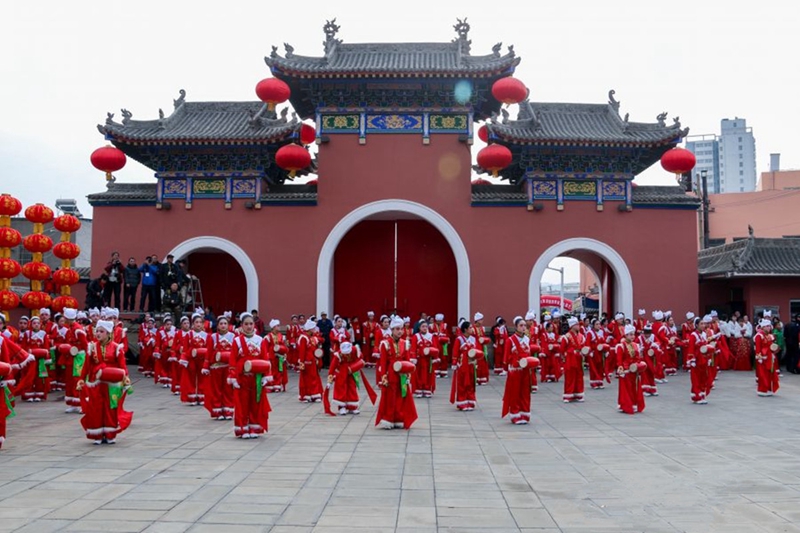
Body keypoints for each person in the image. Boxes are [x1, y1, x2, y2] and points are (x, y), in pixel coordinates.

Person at [77, 320, 133, 444]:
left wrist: (126, 378)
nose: (98, 333)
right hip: (95, 383)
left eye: (101, 331)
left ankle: (109, 434)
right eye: (97, 331)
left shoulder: (116, 348)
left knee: (110, 408)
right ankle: (97, 434)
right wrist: (81, 379)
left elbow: (122, 366)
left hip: (111, 383)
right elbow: (86, 365)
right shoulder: (92, 347)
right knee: (95, 408)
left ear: (108, 333)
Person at [228, 312, 272, 439]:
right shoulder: (237, 341)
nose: (249, 326)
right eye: (246, 324)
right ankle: (242, 428)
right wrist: (233, 377)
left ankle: (254, 428)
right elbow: (232, 361)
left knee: (255, 403)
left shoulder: (260, 340)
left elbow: (265, 358)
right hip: (242, 378)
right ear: (241, 325)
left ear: (254, 325)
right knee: (242, 404)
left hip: (256, 378)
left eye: (251, 324)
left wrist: (266, 376)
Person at [376, 316, 418, 429]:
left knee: (401, 396)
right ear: (392, 330)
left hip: (402, 374)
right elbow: (383, 362)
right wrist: (383, 376)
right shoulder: (385, 343)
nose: (400, 331)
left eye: (401, 329)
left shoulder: (405, 343)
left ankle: (399, 418)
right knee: (390, 397)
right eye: (397, 329)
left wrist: (408, 374)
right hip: (390, 374)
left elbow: (407, 360)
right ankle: (388, 419)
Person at [326, 341, 375, 415]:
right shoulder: (338, 354)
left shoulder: (355, 350)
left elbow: (360, 358)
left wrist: (357, 365)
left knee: (352, 388)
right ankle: (342, 407)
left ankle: (352, 406)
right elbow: (333, 366)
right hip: (341, 372)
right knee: (341, 389)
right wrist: (330, 378)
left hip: (352, 371)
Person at [502, 317, 535, 425]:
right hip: (515, 370)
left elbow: (529, 354)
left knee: (525, 393)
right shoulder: (510, 340)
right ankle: (515, 414)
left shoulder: (527, 339)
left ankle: (525, 414)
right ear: (516, 327)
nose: (523, 327)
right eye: (521, 325)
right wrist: (507, 369)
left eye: (525, 325)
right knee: (515, 393)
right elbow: (506, 357)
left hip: (525, 370)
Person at [203, 313, 235, 420]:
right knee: (216, 389)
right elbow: (209, 352)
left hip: (228, 367)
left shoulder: (233, 337)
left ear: (228, 325)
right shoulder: (212, 337)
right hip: (216, 367)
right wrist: (206, 366)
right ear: (217, 326)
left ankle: (228, 410)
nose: (223, 326)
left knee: (228, 389)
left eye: (225, 323)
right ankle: (217, 410)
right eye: (221, 323)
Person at [19, 316, 52, 402]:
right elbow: (24, 346)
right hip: (31, 360)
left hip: (40, 360)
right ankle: (28, 394)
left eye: (38, 323)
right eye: (34, 323)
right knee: (30, 376)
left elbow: (46, 346)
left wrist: (46, 357)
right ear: (31, 324)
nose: (36, 325)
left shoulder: (43, 334)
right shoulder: (27, 334)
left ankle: (39, 394)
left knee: (40, 377)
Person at [450, 320, 480, 411]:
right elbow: (455, 352)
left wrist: (476, 361)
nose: (472, 329)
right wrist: (454, 363)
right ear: (465, 329)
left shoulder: (473, 339)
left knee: (471, 383)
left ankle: (470, 401)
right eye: (470, 328)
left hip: (471, 365)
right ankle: (462, 402)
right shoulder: (459, 339)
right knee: (462, 384)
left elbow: (476, 351)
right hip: (462, 365)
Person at [615, 324, 646, 415]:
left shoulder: (636, 345)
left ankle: (633, 403)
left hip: (634, 370)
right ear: (626, 335)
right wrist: (621, 369)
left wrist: (639, 364)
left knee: (634, 388)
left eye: (633, 334)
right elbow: (619, 360)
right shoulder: (621, 346)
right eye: (631, 334)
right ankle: (625, 405)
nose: (633, 336)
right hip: (626, 371)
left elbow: (638, 358)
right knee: (626, 389)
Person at [179, 313, 208, 406]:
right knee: (190, 378)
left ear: (203, 324)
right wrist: (184, 358)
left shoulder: (206, 335)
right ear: (193, 324)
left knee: (202, 378)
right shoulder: (189, 334)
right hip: (191, 360)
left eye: (200, 322)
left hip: (202, 360)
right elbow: (185, 348)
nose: (198, 324)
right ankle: (191, 397)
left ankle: (201, 396)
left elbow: (208, 348)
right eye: (196, 322)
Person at [560, 317, 587, 403]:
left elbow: (584, 346)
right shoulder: (566, 337)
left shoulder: (581, 336)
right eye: (576, 324)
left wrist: (584, 352)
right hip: (570, 359)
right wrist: (569, 354)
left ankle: (579, 394)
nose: (578, 326)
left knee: (579, 376)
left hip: (578, 358)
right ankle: (568, 394)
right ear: (572, 326)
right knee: (570, 377)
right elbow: (562, 350)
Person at [686, 316, 713, 404]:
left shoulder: (704, 334)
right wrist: (691, 360)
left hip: (704, 359)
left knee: (703, 378)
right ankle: (696, 396)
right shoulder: (693, 335)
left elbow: (706, 346)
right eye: (701, 324)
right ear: (696, 325)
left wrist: (709, 357)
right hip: (696, 360)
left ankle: (702, 395)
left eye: (704, 324)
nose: (703, 325)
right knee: (696, 379)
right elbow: (691, 348)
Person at [410, 320, 439, 398]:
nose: (425, 328)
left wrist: (434, 357)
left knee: (428, 375)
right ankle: (419, 389)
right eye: (423, 326)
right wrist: (413, 358)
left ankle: (427, 389)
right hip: (419, 360)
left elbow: (435, 348)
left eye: (426, 326)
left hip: (428, 360)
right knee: (418, 374)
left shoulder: (431, 336)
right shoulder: (416, 336)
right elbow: (413, 348)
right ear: (419, 328)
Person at [297, 319, 323, 402]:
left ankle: (314, 394)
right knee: (306, 379)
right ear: (309, 329)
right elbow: (302, 351)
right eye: (313, 328)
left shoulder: (311, 338)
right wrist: (302, 362)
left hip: (313, 361)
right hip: (306, 362)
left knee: (313, 378)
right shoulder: (303, 338)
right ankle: (305, 395)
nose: (315, 330)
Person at [754, 319, 780, 396]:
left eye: (769, 326)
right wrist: (759, 358)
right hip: (762, 358)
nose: (769, 328)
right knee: (763, 375)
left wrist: (773, 352)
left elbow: (771, 346)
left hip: (769, 357)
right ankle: (762, 390)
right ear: (763, 327)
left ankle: (768, 388)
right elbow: (758, 348)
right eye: (767, 326)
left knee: (769, 374)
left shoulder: (769, 335)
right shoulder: (759, 336)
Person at [262, 319, 288, 393]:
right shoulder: (268, 337)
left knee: (279, 371)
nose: (279, 327)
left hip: (280, 357)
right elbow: (265, 348)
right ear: (273, 327)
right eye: (277, 326)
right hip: (271, 357)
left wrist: (284, 353)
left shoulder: (281, 336)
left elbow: (284, 346)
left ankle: (277, 385)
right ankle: (271, 385)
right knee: (272, 371)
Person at [638, 323, 662, 396]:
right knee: (644, 373)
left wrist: (654, 345)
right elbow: (636, 345)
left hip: (651, 358)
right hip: (643, 358)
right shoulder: (640, 338)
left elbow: (658, 343)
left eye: (649, 333)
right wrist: (640, 349)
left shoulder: (653, 337)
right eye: (646, 333)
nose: (647, 335)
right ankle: (645, 389)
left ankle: (652, 388)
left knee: (651, 373)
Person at [153, 315, 176, 388]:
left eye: (170, 324)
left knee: (171, 367)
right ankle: (164, 381)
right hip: (163, 352)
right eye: (167, 324)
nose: (169, 326)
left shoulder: (174, 332)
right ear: (164, 325)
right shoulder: (161, 333)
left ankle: (169, 381)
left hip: (171, 352)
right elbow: (158, 343)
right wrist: (157, 352)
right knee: (163, 367)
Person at [586, 319, 609, 390]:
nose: (599, 326)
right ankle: (594, 383)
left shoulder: (602, 332)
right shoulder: (590, 333)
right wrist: (590, 352)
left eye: (599, 324)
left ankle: (600, 381)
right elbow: (587, 343)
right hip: (593, 353)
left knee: (600, 368)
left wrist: (606, 350)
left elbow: (604, 342)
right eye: (597, 324)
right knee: (593, 368)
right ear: (593, 325)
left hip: (600, 353)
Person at [471, 313, 491, 385]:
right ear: (477, 320)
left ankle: (482, 379)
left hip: (482, 347)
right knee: (476, 363)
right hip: (475, 346)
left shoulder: (482, 328)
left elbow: (483, 336)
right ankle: (476, 378)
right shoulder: (472, 328)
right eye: (481, 319)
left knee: (482, 362)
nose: (482, 321)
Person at [430, 313, 450, 378]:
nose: (439, 322)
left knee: (444, 357)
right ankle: (436, 372)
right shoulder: (432, 326)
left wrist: (444, 337)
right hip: (435, 343)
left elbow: (447, 334)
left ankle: (443, 372)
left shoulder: (444, 326)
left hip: (443, 344)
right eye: (438, 320)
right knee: (436, 357)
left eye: (440, 321)